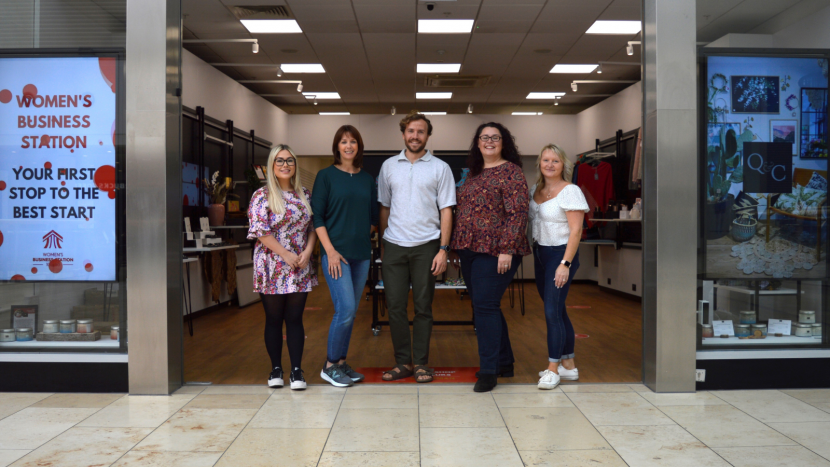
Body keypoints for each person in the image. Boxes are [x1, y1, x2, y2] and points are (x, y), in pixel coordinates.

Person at [450, 122, 530, 392]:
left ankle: (488, 371)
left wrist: (507, 248)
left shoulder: (512, 172)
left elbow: (518, 214)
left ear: (503, 142)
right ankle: (504, 363)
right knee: (486, 306)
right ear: (477, 142)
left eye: (495, 137)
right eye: (484, 137)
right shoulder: (473, 173)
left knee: (484, 307)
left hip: (497, 251)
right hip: (470, 248)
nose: (489, 141)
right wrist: (455, 246)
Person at [379, 111, 456, 383]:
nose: (415, 136)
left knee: (424, 307)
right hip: (395, 246)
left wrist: (443, 248)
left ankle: (421, 363)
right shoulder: (388, 166)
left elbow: (447, 210)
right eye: (410, 131)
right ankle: (403, 362)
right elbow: (385, 207)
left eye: (420, 131)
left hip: (427, 245)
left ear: (427, 135)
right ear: (403, 134)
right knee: (395, 306)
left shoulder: (440, 168)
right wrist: (383, 247)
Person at [312, 125, 378, 388]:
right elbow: (318, 218)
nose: (348, 146)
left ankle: (340, 363)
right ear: (336, 147)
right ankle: (329, 366)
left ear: (359, 146)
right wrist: (330, 250)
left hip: (362, 254)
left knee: (351, 312)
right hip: (335, 255)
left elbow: (374, 218)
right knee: (346, 309)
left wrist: (360, 234)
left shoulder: (367, 179)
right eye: (343, 141)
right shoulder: (325, 176)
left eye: (353, 141)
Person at [247, 144, 317, 391]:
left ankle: (297, 371)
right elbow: (260, 231)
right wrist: (286, 254)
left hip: (300, 264)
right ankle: (276, 368)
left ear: (295, 165)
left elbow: (313, 229)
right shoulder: (261, 195)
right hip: (271, 264)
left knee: (295, 318)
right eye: (279, 161)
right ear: (271, 166)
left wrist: (307, 253)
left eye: (289, 160)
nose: (285, 165)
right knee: (274, 319)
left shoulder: (305, 195)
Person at [529, 144, 589, 390]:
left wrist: (565, 264)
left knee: (551, 312)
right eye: (546, 160)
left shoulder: (571, 191)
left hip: (561, 254)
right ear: (540, 164)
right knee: (557, 308)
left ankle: (553, 368)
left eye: (555, 161)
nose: (550, 165)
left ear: (563, 165)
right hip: (540, 252)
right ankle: (570, 366)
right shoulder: (536, 189)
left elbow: (576, 230)